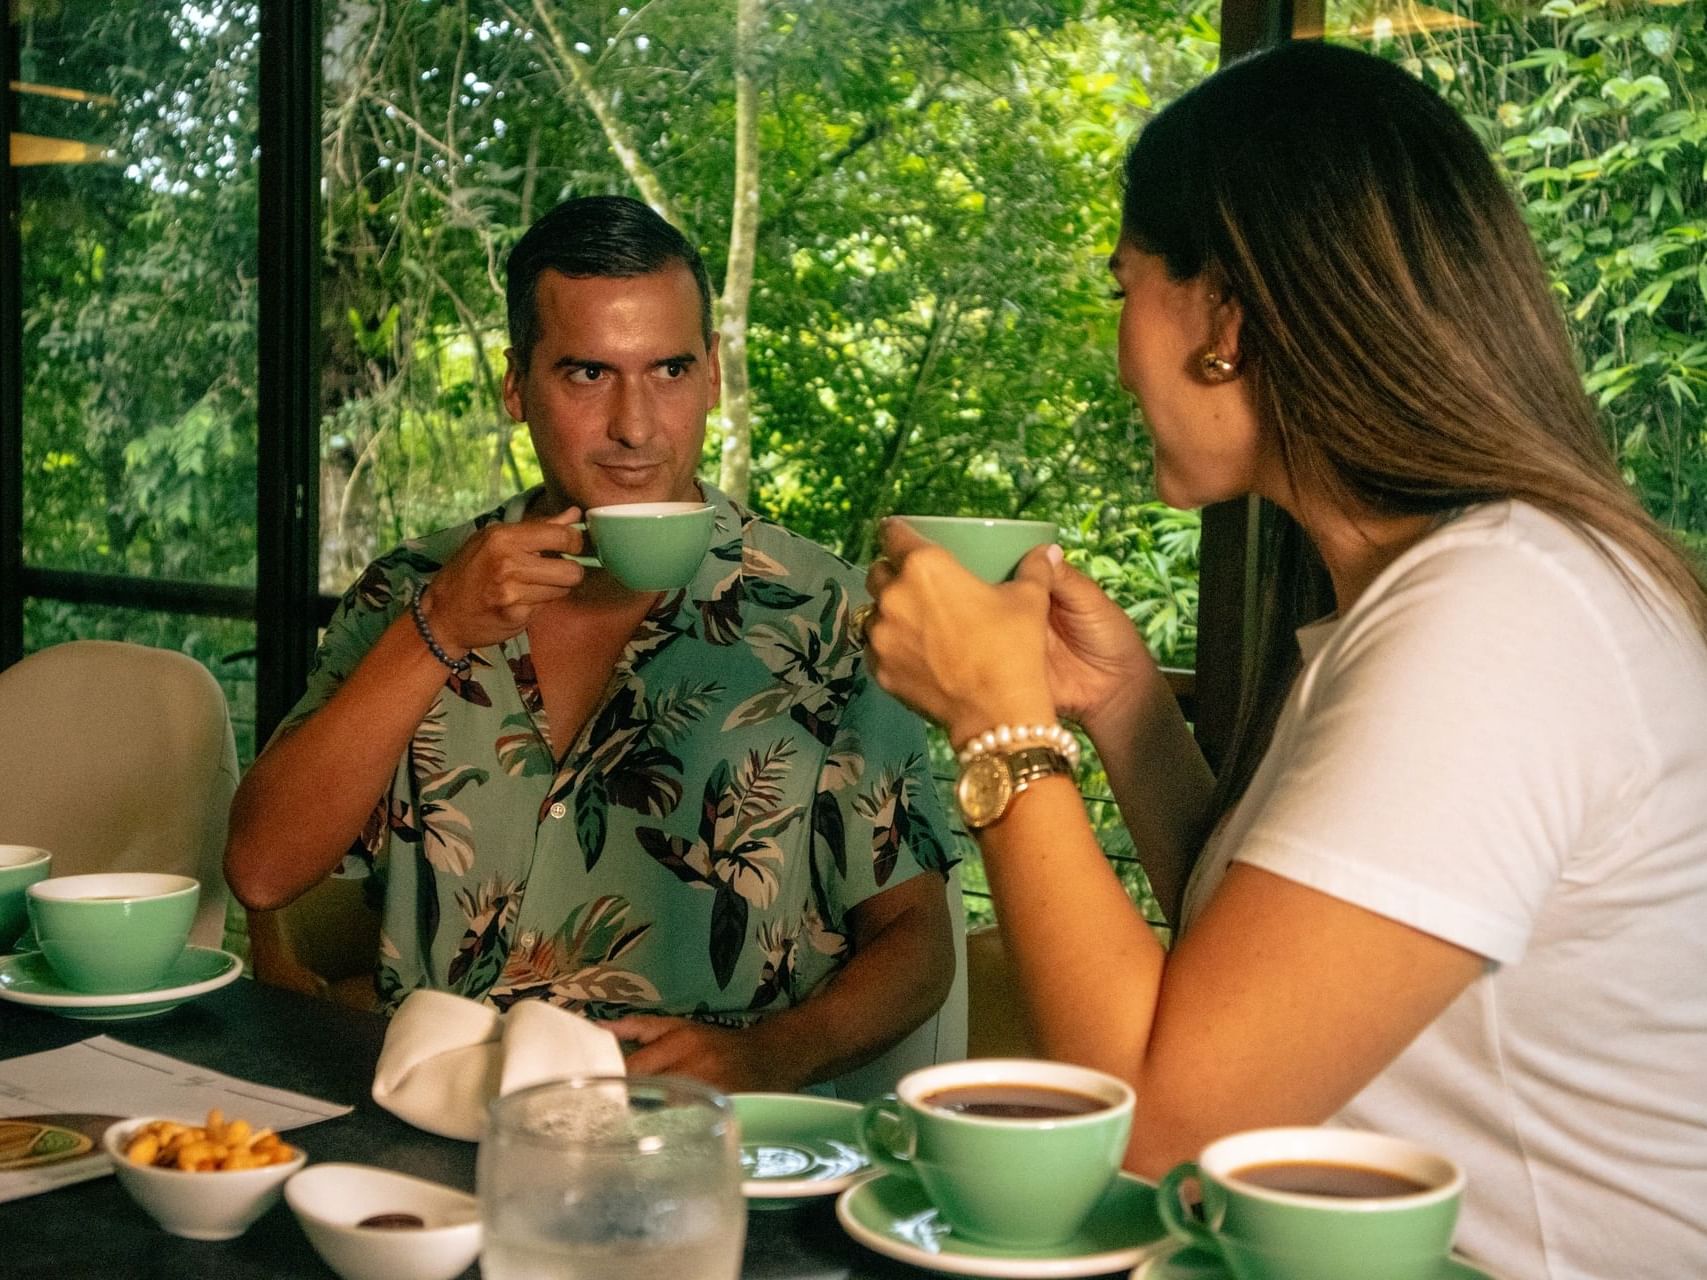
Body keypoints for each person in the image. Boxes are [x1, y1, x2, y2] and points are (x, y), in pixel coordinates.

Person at [861, 42, 1707, 1280]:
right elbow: (1267, 984)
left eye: (1124, 287)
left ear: (1227, 320)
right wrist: (1129, 715)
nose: (1118, 350)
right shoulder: (1445, 596)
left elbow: (1159, 1129)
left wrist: (999, 724)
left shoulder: (1501, 617)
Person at [226, 194, 958, 1095]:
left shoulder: (825, 613)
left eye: (669, 370)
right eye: (585, 374)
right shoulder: (410, 592)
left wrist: (770, 1056)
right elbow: (262, 871)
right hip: (424, 1121)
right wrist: (440, 630)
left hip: (694, 1138)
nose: (636, 427)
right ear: (514, 386)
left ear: (714, 377)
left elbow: (917, 941)